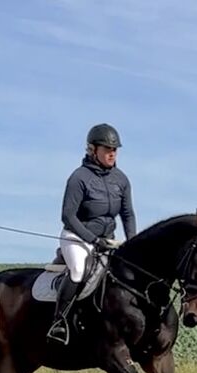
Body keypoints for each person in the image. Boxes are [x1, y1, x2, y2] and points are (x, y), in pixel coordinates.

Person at [47, 123, 137, 344]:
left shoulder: (121, 180)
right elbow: (68, 216)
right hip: (77, 238)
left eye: (115, 150)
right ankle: (58, 323)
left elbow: (127, 214)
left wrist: (132, 244)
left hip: (108, 241)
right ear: (92, 150)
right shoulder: (79, 178)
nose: (112, 153)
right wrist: (92, 240)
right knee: (78, 270)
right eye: (107, 149)